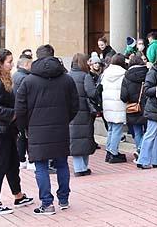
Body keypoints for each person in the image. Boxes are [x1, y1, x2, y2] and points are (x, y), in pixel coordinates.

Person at [15, 44, 80, 216]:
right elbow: (75, 105)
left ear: (37, 57)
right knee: (62, 164)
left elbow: (20, 108)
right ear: (53, 55)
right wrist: (65, 120)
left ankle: (47, 203)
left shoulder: (28, 80)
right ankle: (64, 199)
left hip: (36, 129)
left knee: (41, 166)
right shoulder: (66, 79)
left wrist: (23, 128)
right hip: (60, 127)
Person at [0, 48, 34, 215]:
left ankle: (18, 195)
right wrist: (14, 113)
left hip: (4, 130)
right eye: (9, 62)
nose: (11, 65)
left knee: (11, 164)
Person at [136, 51, 157, 169]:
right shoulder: (153, 72)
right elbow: (147, 90)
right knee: (151, 133)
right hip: (154, 108)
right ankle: (143, 159)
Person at [69, 53, 99, 176]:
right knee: (85, 139)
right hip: (84, 112)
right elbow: (92, 93)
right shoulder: (85, 76)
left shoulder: (68, 76)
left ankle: (79, 167)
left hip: (71, 113)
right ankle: (82, 168)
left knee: (75, 139)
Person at [101, 54, 129, 163]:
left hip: (107, 104)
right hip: (119, 104)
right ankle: (113, 152)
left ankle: (109, 150)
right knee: (117, 129)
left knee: (111, 129)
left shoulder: (105, 73)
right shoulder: (123, 73)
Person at [121, 54, 148, 151]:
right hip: (147, 106)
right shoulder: (148, 73)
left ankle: (139, 150)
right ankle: (144, 150)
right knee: (148, 131)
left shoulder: (127, 76)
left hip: (133, 108)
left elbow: (123, 96)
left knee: (137, 132)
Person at [12, 53, 34, 170]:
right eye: (31, 64)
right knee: (27, 137)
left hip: (17, 112)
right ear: (26, 64)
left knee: (21, 137)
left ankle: (21, 159)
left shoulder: (15, 75)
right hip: (25, 112)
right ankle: (30, 160)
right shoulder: (25, 78)